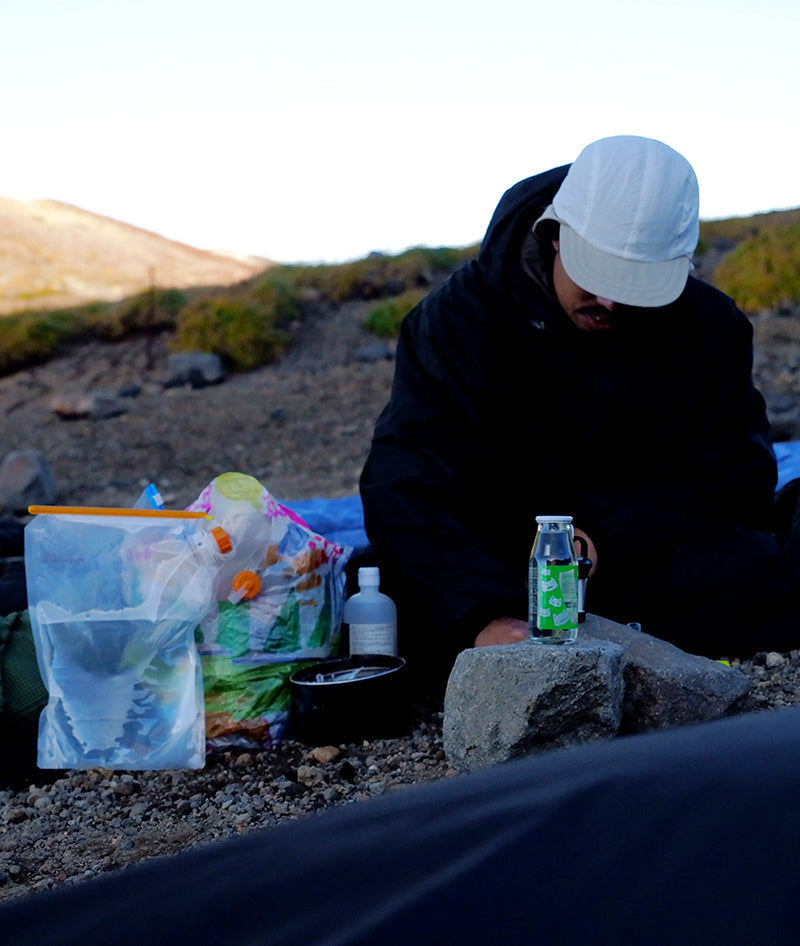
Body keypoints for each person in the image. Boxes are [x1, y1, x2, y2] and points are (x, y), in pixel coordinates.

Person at [360, 135, 800, 685]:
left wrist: (602, 539)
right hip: (502, 562)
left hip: (648, 559)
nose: (611, 302)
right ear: (554, 236)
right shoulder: (458, 323)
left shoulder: (709, 328)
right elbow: (406, 479)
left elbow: (738, 478)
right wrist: (483, 618)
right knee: (377, 589)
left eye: (635, 285)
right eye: (599, 275)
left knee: (763, 560)